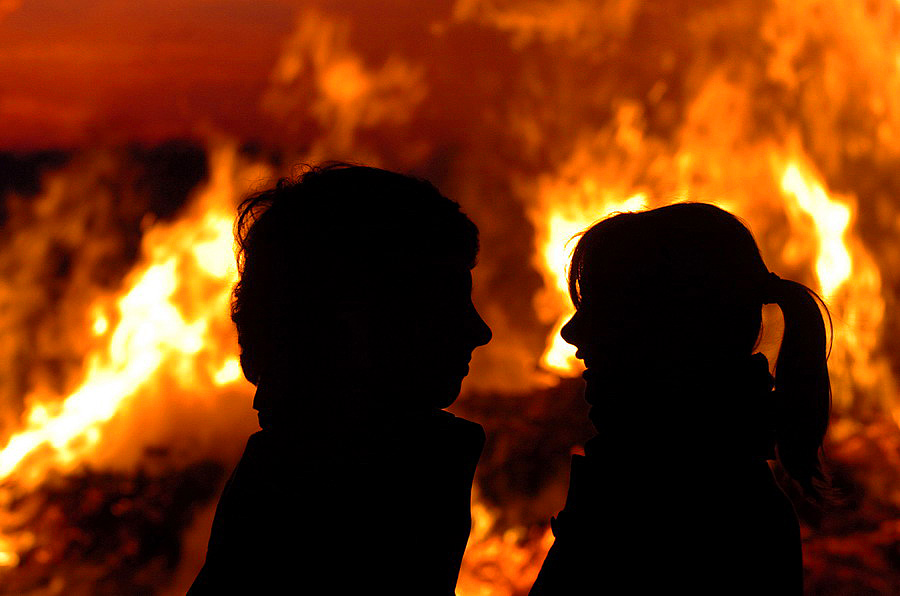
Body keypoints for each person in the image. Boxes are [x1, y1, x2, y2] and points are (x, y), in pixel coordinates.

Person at [188, 164, 492, 594]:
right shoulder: (333, 503)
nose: (479, 331)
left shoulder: (301, 482)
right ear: (357, 322)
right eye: (446, 303)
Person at [530, 203, 831, 595]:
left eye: (603, 309)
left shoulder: (681, 514)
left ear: (675, 329)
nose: (571, 332)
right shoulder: (651, 487)